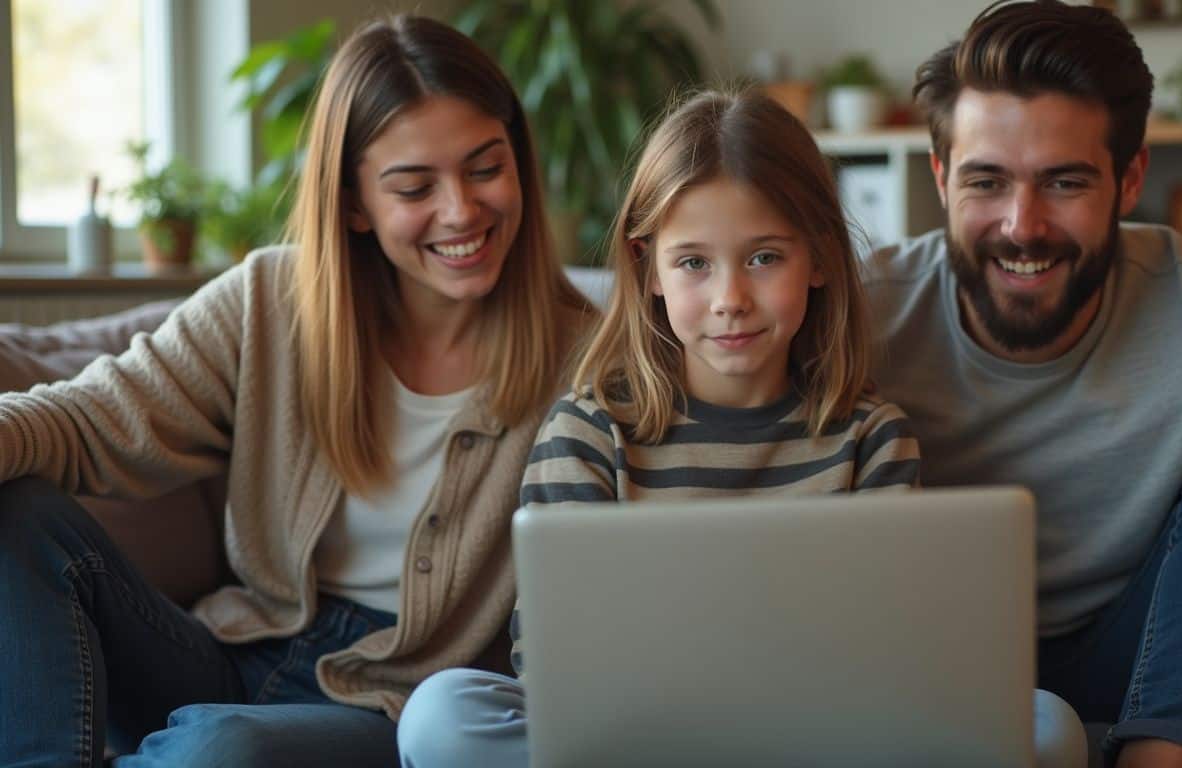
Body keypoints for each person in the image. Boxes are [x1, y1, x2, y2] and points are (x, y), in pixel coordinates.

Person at [0, 14, 592, 767]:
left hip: (398, 705)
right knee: (18, 504)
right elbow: (89, 419)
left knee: (221, 749)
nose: (461, 210)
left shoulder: (590, 361)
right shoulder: (270, 301)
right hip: (234, 655)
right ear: (353, 204)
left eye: (485, 168)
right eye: (415, 186)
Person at [394, 88, 947, 767]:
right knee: (441, 714)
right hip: (635, 734)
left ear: (821, 258)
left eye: (765, 257)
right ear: (646, 268)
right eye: (693, 263)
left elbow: (889, 654)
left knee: (1043, 724)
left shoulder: (871, 439)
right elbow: (553, 655)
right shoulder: (592, 432)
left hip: (810, 732)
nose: (730, 300)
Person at [865, 1, 1182, 766]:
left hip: (1150, 664)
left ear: (1129, 180)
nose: (1022, 225)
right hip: (926, 670)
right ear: (940, 175)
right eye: (986, 181)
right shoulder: (850, 316)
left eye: (1063, 182)